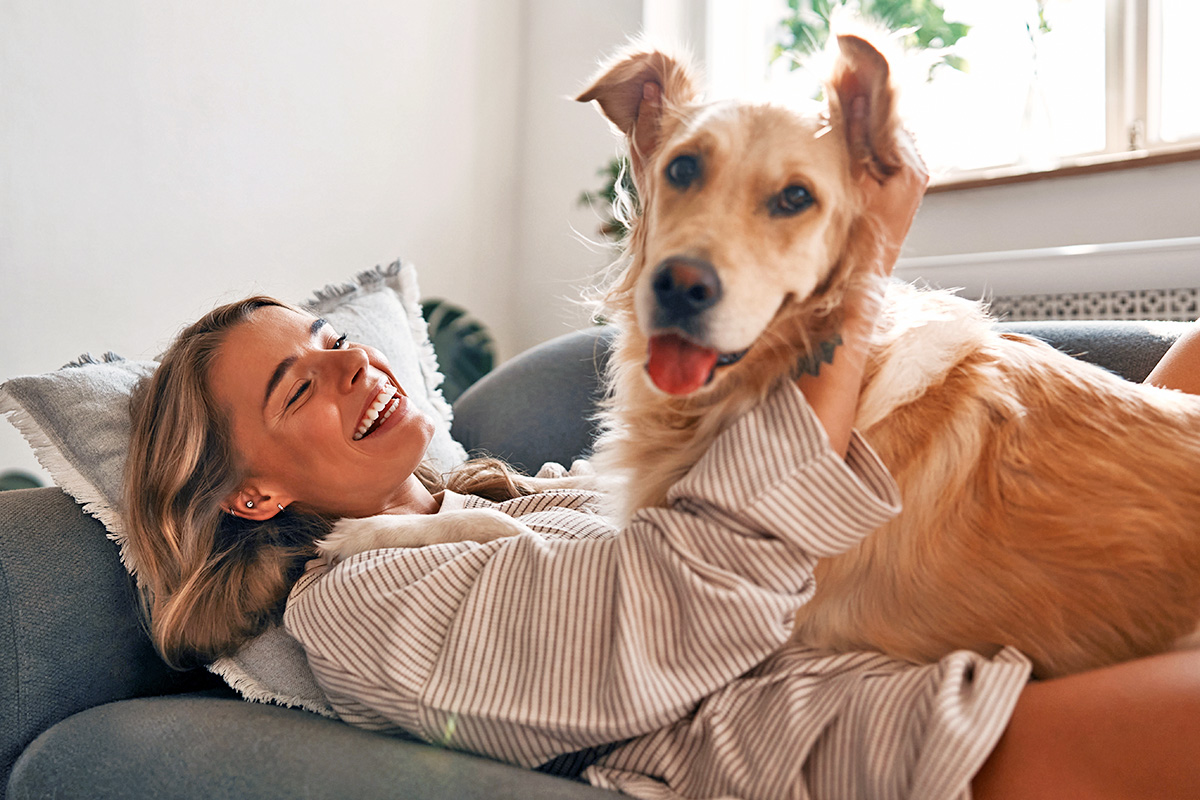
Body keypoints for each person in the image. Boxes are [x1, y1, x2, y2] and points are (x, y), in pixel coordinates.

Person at [122, 138, 1200, 799]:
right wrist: (856, 275)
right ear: (254, 495)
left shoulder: (517, 488)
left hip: (936, 583)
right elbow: (671, 605)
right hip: (863, 718)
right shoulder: (352, 607)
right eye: (296, 387)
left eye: (326, 337)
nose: (345, 361)